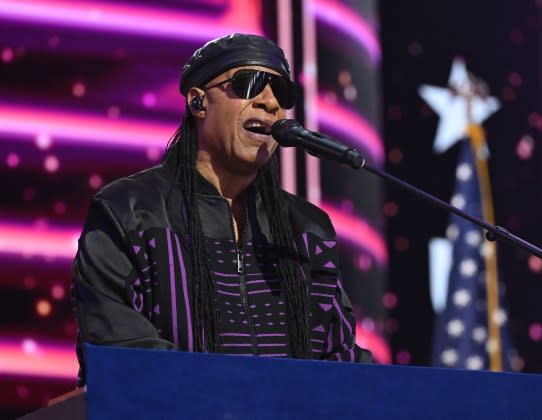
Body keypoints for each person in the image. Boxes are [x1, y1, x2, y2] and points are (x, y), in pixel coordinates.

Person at [71, 33, 371, 386]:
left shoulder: (307, 229)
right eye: (250, 83)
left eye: (282, 92)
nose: (271, 103)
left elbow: (341, 361)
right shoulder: (128, 210)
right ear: (198, 103)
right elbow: (121, 352)